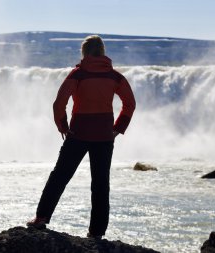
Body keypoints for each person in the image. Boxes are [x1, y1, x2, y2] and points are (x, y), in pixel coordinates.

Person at [27, 35, 136, 239]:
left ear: (84, 52)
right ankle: (96, 233)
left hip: (78, 133)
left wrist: (63, 126)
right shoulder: (115, 77)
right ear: (103, 52)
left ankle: (41, 218)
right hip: (104, 136)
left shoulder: (78, 74)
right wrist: (117, 128)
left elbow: (59, 102)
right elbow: (130, 103)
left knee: (60, 176)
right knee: (101, 184)